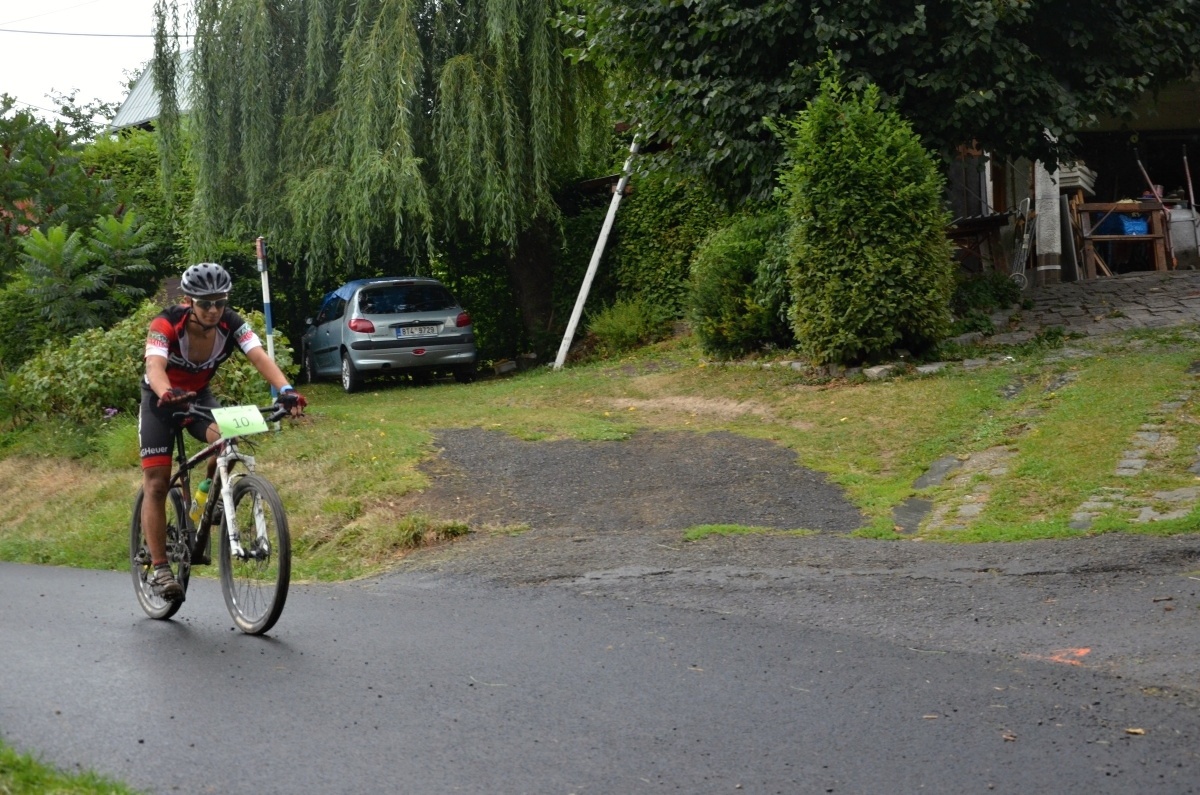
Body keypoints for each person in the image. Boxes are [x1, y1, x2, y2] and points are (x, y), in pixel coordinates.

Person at [140, 262, 306, 602]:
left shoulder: (232, 323)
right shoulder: (165, 323)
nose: (214, 310)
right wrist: (166, 392)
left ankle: (204, 500)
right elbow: (154, 365)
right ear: (189, 301)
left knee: (226, 441)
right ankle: (160, 568)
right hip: (161, 400)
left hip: (198, 397)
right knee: (156, 483)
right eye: (205, 303)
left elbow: (259, 357)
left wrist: (287, 390)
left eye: (220, 302)